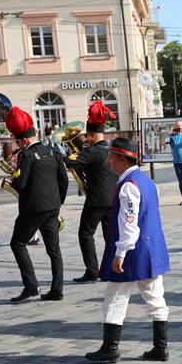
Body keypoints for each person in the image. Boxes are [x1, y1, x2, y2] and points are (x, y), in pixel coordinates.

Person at [85, 137, 171, 363]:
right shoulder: (148, 181)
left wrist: (120, 254)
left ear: (122, 159)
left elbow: (128, 223)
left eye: (112, 157)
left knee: (114, 298)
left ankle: (110, 349)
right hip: (151, 250)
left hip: (132, 252)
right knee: (155, 297)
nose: (109, 162)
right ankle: (160, 347)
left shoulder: (128, 187)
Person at [6, 107, 68, 303]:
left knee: (17, 243)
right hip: (52, 207)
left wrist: (13, 175)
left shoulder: (26, 155)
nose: (18, 144)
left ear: (24, 140)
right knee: (54, 249)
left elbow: (20, 184)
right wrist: (58, 203)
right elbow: (63, 180)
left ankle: (31, 286)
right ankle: (57, 289)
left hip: (33, 209)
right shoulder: (52, 150)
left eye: (17, 141)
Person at [65, 101, 118, 284]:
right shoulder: (110, 148)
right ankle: (111, 268)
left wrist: (58, 155)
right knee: (109, 235)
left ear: (94, 134)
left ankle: (92, 271)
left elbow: (69, 162)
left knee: (85, 234)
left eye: (88, 135)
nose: (86, 138)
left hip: (96, 199)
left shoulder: (93, 151)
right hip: (113, 197)